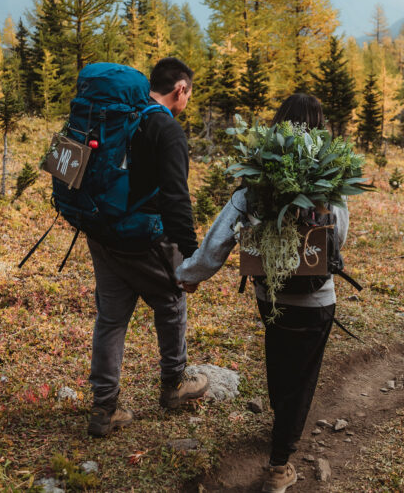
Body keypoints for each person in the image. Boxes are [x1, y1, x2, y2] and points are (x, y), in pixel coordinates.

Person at [175, 93, 347, 493]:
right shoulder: (329, 184)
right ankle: (279, 464)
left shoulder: (255, 184)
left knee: (279, 363)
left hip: (270, 297)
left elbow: (219, 240)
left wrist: (190, 274)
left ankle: (280, 428)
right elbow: (336, 238)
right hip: (317, 299)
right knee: (301, 378)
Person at [85, 57, 209, 438]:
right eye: (188, 94)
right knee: (171, 302)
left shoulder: (117, 116)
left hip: (100, 231)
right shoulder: (166, 129)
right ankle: (173, 386)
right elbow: (176, 199)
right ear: (180, 89)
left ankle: (105, 408)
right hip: (142, 237)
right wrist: (191, 256)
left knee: (111, 318)